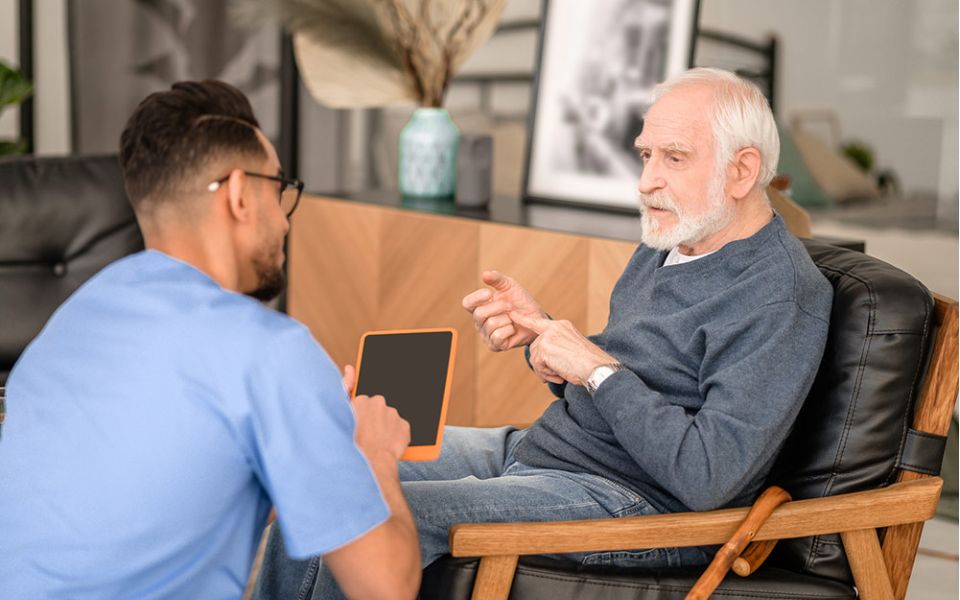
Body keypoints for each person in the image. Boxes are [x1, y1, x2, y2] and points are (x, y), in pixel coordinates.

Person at [254, 67, 834, 599]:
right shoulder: (674, 240)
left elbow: (708, 474)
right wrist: (548, 344)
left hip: (639, 505)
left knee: (367, 510)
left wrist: (595, 368)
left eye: (674, 158)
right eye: (645, 155)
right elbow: (639, 379)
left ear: (743, 171)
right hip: (546, 455)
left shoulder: (779, 296)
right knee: (325, 472)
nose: (646, 182)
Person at [0, 81, 420, 599]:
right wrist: (370, 455)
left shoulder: (65, 328)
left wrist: (304, 443)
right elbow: (387, 589)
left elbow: (158, 505)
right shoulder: (269, 350)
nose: (286, 222)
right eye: (279, 189)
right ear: (241, 194)